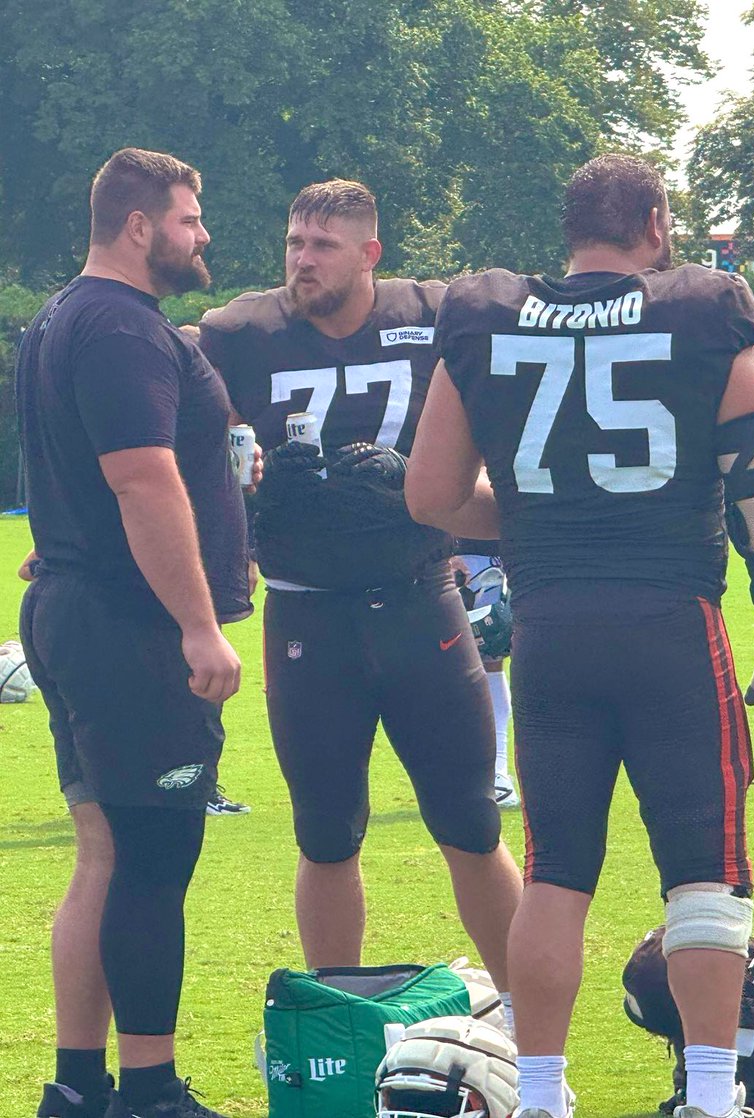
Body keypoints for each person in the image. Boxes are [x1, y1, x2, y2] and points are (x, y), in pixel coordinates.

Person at [405, 153, 754, 1118]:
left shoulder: (484, 314)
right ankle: (714, 1096)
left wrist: (554, 517)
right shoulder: (703, 307)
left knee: (556, 872)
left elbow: (429, 497)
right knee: (705, 874)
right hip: (673, 621)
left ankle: (543, 1095)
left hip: (548, 625)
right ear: (657, 223)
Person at [197, 182, 523, 1001]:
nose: (302, 260)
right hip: (306, 609)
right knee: (325, 834)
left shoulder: (437, 315)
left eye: (323, 245)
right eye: (294, 243)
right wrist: (253, 493)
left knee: (471, 824)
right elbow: (188, 455)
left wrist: (419, 485)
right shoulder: (241, 333)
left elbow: (502, 442)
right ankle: (338, 1015)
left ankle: (533, 1024)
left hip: (421, 597)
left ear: (370, 252)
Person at [17, 148, 249, 1118]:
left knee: (106, 853)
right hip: (129, 624)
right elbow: (140, 476)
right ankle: (149, 1089)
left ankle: (76, 1085)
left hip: (76, 603)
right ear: (142, 225)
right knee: (155, 859)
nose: (204, 237)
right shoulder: (120, 323)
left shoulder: (59, 315)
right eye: (192, 219)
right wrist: (200, 625)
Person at [452, 542, 520, 807]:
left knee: (490, 652)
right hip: (455, 554)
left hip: (487, 557)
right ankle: (487, 773)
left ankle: (496, 773)